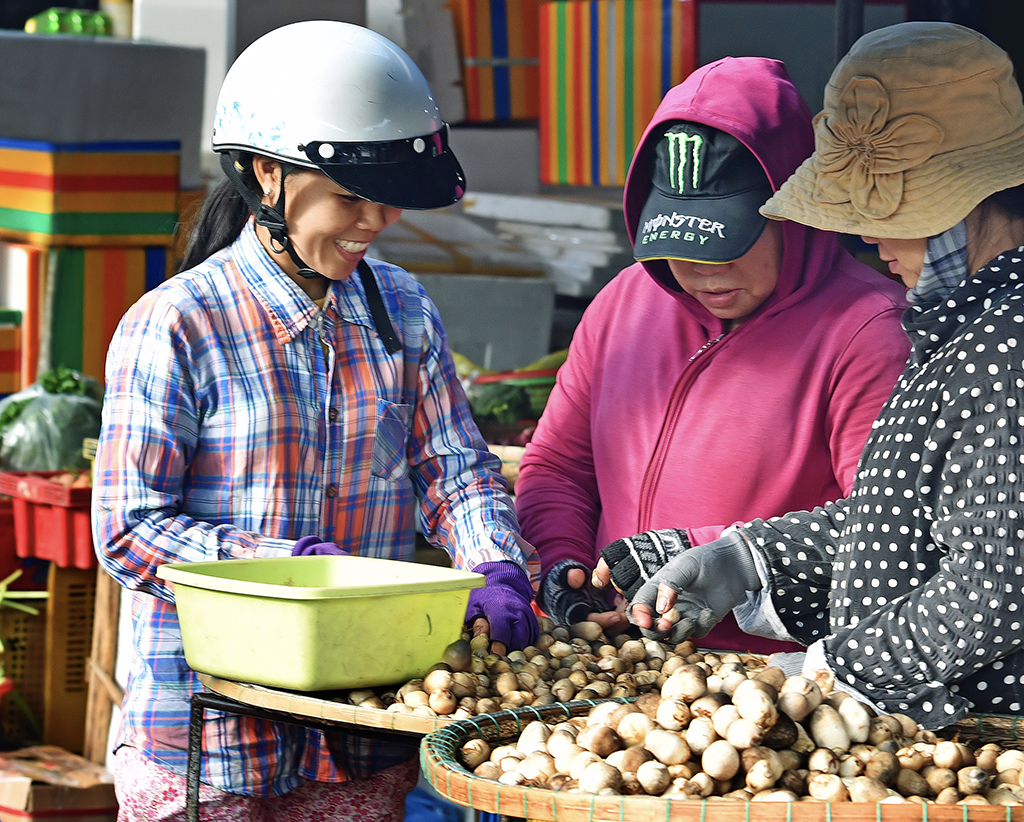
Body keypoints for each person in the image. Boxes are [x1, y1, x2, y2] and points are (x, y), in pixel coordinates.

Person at [91, 21, 539, 821]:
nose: (377, 221)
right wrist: (286, 574)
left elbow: (454, 469)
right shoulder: (176, 325)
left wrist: (493, 563)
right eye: (352, 198)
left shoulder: (401, 310)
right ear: (269, 175)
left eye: (388, 200)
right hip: (207, 740)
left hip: (358, 732)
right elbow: (128, 531)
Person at [616, 20, 1024, 729]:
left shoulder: (1007, 345)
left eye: (888, 210)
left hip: (985, 750)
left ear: (971, 204)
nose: (868, 235)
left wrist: (832, 669)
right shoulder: (956, 326)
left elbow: (997, 584)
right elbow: (899, 524)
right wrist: (744, 558)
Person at [514, 55, 910, 654]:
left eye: (731, 240)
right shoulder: (624, 303)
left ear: (796, 213)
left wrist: (705, 553)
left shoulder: (870, 331)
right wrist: (564, 563)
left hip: (764, 694)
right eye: (678, 243)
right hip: (613, 668)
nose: (703, 269)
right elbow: (559, 466)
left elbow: (885, 534)